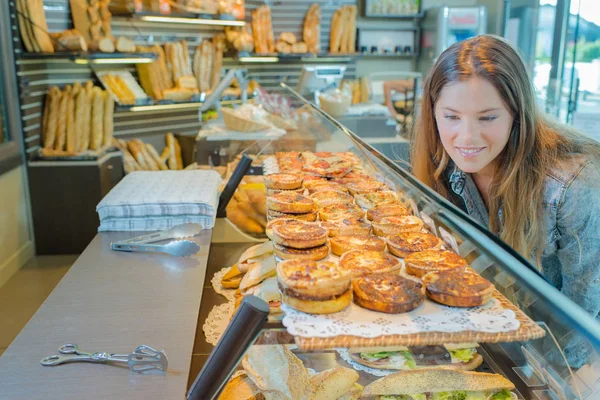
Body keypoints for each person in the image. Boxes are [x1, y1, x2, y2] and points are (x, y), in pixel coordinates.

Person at [411, 35, 600, 327]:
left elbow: (584, 313)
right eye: (451, 117)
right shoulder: (443, 163)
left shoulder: (572, 185)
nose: (467, 137)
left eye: (486, 118)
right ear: (434, 113)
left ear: (517, 114)